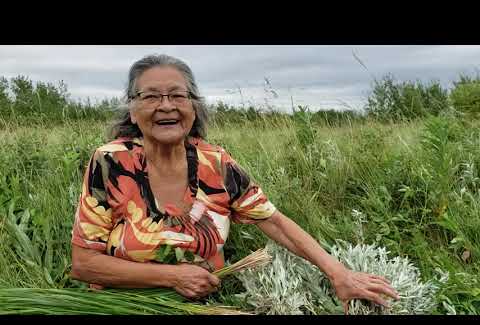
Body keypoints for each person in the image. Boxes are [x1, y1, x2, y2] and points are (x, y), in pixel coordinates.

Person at [71, 54, 399, 312]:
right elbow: (84, 264)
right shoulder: (111, 162)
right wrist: (172, 276)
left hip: (203, 306)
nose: (166, 106)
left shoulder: (216, 163)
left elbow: (274, 222)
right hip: (125, 305)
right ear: (132, 109)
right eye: (152, 97)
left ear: (193, 107)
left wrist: (339, 275)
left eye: (177, 95)